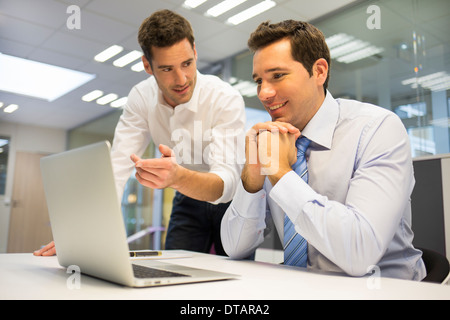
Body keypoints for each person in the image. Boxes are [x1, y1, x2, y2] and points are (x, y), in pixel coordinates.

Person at [220, 20, 426, 281]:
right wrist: (251, 182)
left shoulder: (377, 129)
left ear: (319, 71)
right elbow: (235, 248)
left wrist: (282, 174)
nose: (264, 93)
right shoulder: (274, 140)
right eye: (259, 81)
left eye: (278, 76)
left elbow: (359, 253)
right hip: (305, 289)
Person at [34, 10, 245, 257]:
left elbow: (227, 183)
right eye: (167, 69)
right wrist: (83, 233)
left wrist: (177, 178)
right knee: (176, 273)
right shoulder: (141, 97)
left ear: (195, 53)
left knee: (237, 274)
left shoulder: (224, 97)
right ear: (147, 65)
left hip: (232, 202)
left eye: (187, 63)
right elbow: (117, 169)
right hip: (186, 199)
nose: (181, 79)